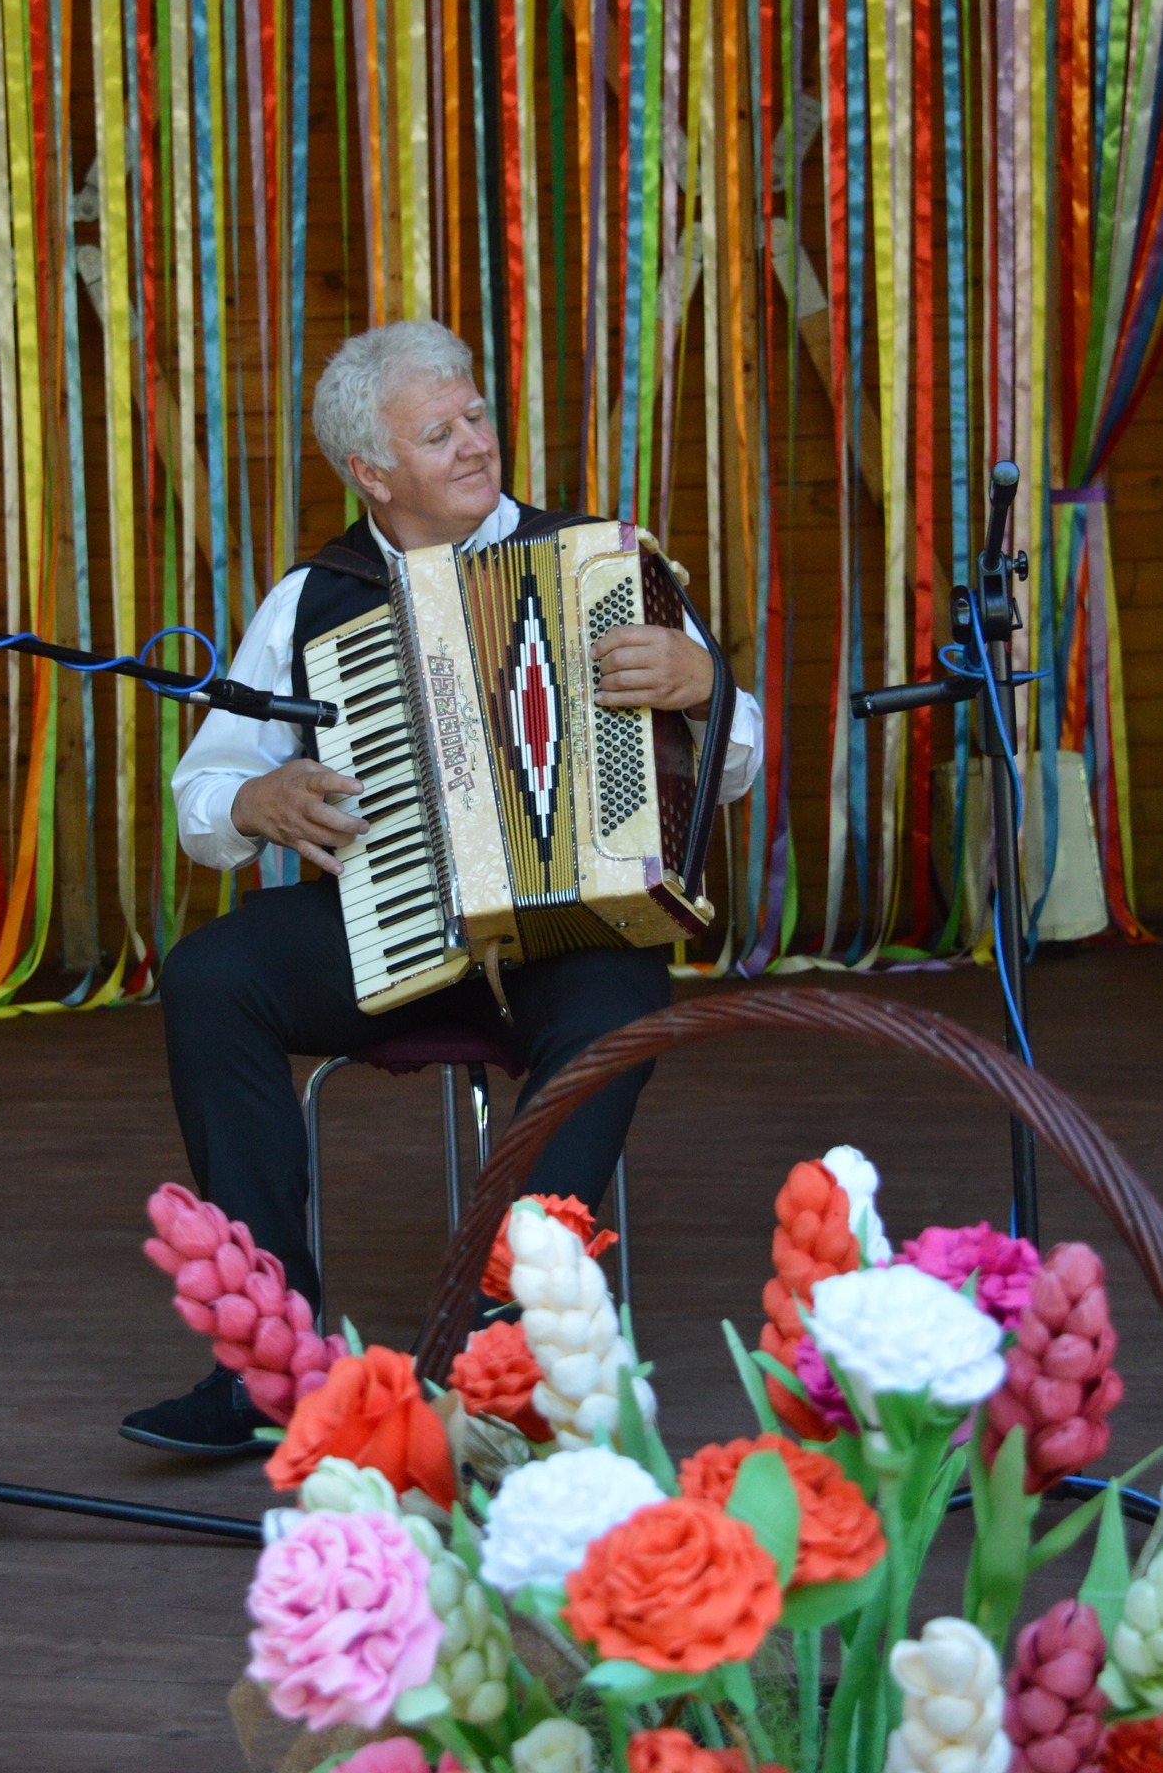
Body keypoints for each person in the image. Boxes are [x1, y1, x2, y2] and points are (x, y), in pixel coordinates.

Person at [121, 321, 763, 1456]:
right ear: (371, 471)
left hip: (571, 929)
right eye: (439, 432)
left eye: (475, 414)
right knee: (213, 975)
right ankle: (264, 1358)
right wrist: (257, 800)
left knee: (624, 1004)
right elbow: (202, 793)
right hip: (393, 916)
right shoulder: (315, 596)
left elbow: (743, 757)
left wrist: (706, 685)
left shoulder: (601, 561)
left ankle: (503, 1348)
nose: (475, 441)